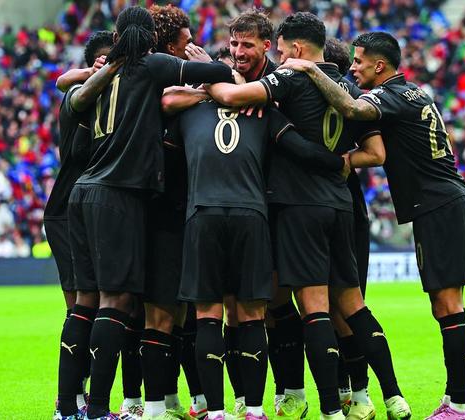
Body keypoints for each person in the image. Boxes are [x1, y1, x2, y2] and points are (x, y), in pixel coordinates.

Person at [207, 13, 410, 420]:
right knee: (353, 307)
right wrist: (338, 163)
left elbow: (232, 98)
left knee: (314, 310)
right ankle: (392, 397)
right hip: (341, 206)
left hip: (299, 206)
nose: (280, 58)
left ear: (296, 49)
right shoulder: (350, 87)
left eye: (281, 51)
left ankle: (331, 410)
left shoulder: (292, 77)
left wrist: (207, 71)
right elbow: (375, 152)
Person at [281, 31, 465, 420]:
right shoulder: (415, 93)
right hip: (451, 199)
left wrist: (309, 68)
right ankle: (455, 400)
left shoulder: (386, 97)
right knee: (447, 305)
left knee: (448, 305)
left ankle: (461, 404)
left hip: (438, 205)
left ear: (379, 65)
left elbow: (351, 109)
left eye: (358, 61)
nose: (352, 68)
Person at [65, 6, 234, 420]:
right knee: (116, 302)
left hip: (83, 192)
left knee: (86, 303)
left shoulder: (104, 77)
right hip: (118, 194)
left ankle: (69, 405)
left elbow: (66, 88)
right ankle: (100, 409)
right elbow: (219, 76)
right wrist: (204, 64)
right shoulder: (150, 65)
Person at [171, 57, 350, 420]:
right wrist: (340, 163)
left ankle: (217, 411)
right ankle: (254, 410)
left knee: (207, 316)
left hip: (202, 213)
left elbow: (167, 152)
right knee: (252, 315)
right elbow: (300, 148)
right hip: (251, 215)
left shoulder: (188, 114)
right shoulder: (263, 112)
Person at [140, 5, 205, 419]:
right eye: (185, 42)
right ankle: (151, 405)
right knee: (161, 312)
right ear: (167, 47)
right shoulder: (155, 84)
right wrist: (209, 79)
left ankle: (173, 399)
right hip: (161, 212)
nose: (192, 47)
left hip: (185, 210)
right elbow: (166, 101)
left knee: (184, 312)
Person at [51, 32, 120, 420]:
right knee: (80, 306)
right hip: (66, 210)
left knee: (97, 307)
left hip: (91, 208)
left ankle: (80, 401)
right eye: (105, 60)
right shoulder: (78, 97)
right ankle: (70, 402)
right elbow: (79, 151)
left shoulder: (115, 98)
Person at [325, 37, 374, 415]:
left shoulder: (349, 99)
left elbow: (376, 153)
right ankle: (358, 391)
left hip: (335, 212)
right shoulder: (354, 101)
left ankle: (352, 389)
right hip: (351, 212)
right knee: (346, 307)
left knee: (332, 309)